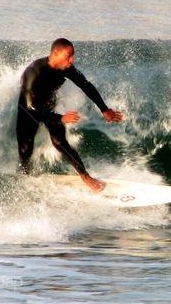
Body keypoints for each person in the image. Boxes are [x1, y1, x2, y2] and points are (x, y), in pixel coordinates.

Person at [16, 38, 123, 192]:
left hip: (48, 106)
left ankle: (86, 177)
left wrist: (104, 109)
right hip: (28, 110)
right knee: (25, 150)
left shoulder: (67, 68)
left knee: (59, 141)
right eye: (68, 56)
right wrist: (60, 118)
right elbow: (31, 106)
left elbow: (85, 85)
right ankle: (26, 179)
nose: (72, 60)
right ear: (55, 53)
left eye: (73, 55)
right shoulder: (34, 71)